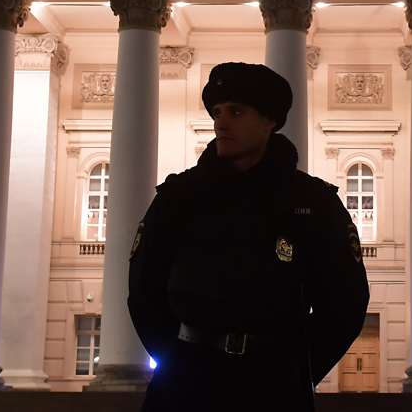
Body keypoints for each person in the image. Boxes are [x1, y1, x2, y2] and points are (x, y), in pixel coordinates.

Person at [129, 62, 371, 410]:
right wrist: (178, 363)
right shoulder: (179, 198)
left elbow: (345, 304)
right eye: (217, 112)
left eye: (236, 111)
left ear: (269, 122)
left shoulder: (312, 204)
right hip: (186, 386)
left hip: (273, 387)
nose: (221, 123)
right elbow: (143, 292)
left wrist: (296, 373)